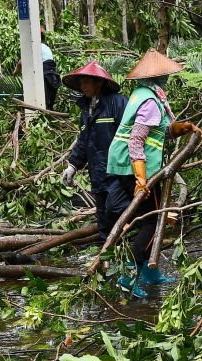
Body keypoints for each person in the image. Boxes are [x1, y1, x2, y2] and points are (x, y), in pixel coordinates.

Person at [105, 49, 202, 298]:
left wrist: (185, 127)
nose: (168, 79)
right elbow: (136, 141)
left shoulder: (144, 95)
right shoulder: (150, 101)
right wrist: (140, 179)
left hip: (128, 165)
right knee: (151, 221)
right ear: (158, 78)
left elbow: (161, 131)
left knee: (149, 218)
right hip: (135, 167)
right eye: (166, 75)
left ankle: (149, 272)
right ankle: (130, 275)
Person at [60, 60, 127, 241]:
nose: (83, 86)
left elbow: (131, 136)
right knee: (103, 216)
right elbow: (84, 140)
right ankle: (107, 259)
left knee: (116, 209)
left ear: (100, 82)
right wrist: (73, 165)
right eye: (81, 82)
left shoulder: (118, 103)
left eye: (87, 82)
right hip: (97, 173)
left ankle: (130, 251)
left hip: (118, 173)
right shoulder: (87, 108)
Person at [40, 29, 61, 110]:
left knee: (44, 102)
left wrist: (16, 71)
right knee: (49, 103)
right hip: (52, 75)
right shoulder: (46, 47)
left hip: (45, 74)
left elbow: (21, 62)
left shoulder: (35, 47)